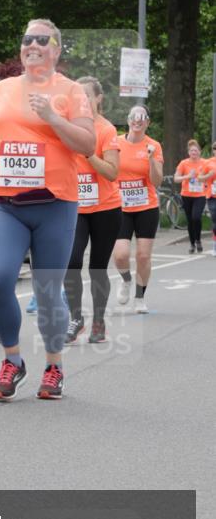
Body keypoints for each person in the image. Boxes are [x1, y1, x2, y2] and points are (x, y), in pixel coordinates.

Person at [0, 19, 94, 402]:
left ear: (57, 50)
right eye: (27, 38)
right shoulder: (5, 90)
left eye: (42, 40)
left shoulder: (71, 90)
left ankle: (54, 365)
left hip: (55, 204)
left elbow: (87, 143)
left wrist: (53, 117)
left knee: (47, 290)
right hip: (8, 204)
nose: (33, 45)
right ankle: (13, 360)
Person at [63, 77, 121, 344]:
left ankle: (98, 320)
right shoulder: (70, 128)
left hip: (105, 209)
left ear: (98, 99)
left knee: (98, 267)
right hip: (75, 206)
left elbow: (111, 172)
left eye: (86, 96)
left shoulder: (106, 130)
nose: (82, 102)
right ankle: (77, 318)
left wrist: (88, 154)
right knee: (71, 262)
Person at [113, 105, 164, 314]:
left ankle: (140, 297)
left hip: (146, 207)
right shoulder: (115, 142)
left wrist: (151, 159)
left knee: (143, 256)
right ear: (128, 120)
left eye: (142, 118)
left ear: (147, 122)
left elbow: (157, 181)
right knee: (121, 255)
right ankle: (125, 279)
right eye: (134, 117)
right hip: (120, 206)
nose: (137, 121)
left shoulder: (154, 145)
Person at [174, 139, 207, 253]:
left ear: (199, 152)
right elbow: (176, 178)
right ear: (189, 152)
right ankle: (192, 243)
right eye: (192, 151)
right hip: (186, 195)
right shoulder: (184, 163)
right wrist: (187, 176)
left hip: (200, 195)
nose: (194, 152)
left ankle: (198, 240)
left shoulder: (204, 163)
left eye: (196, 150)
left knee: (196, 217)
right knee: (190, 220)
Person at [199, 142, 216, 256]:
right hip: (212, 196)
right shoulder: (208, 163)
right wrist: (208, 176)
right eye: (215, 148)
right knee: (215, 220)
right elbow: (200, 178)